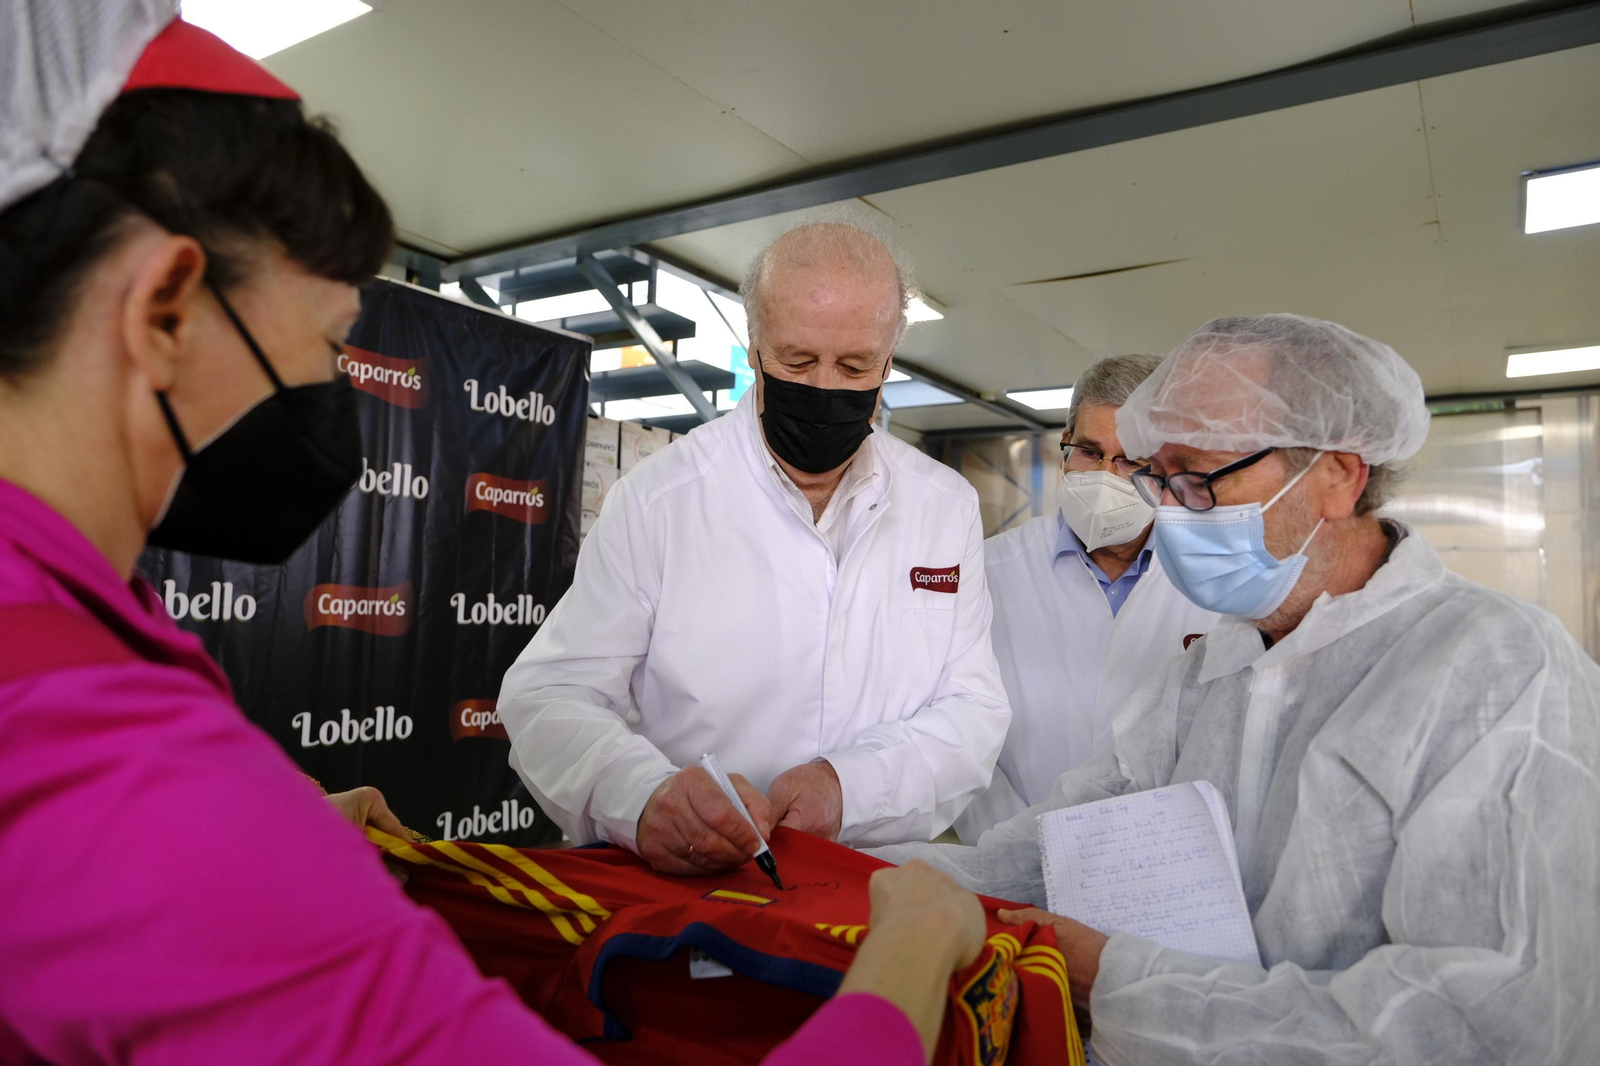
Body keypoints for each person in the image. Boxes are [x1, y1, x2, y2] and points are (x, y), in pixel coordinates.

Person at [0, 6, 991, 1063]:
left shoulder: (100, 643)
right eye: (329, 344)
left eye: (854, 367)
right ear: (163, 308)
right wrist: (914, 950)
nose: (335, 397)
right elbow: (547, 702)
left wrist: (279, 825)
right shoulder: (95, 739)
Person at [876, 314, 1600, 1064]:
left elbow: (1487, 1022)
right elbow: (1058, 847)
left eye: (1199, 479)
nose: (1167, 511)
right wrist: (847, 876)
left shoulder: (1500, 671)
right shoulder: (1216, 667)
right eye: (1161, 479)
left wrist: (1120, 982)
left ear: (1336, 476)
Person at [499, 221, 1010, 874]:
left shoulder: (943, 507)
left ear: (888, 363)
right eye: (796, 360)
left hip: (877, 887)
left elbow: (972, 712)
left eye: (854, 366)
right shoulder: (659, 501)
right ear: (755, 345)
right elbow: (550, 695)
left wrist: (851, 787)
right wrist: (641, 795)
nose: (823, 386)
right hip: (697, 883)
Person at [954, 354, 1217, 842]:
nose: (1107, 477)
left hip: (1165, 853)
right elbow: (960, 727)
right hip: (1008, 849)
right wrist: (1016, 852)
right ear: (1064, 446)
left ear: (1168, 467)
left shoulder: (1214, 582)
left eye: (1132, 460)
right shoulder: (988, 570)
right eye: (1090, 452)